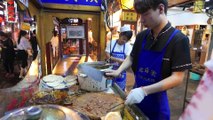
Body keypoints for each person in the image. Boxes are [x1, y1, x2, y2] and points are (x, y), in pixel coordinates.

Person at [105, 0, 192, 119]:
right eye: (140, 15)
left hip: (157, 105)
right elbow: (132, 57)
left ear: (161, 9)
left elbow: (177, 77)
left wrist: (144, 91)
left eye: (145, 14)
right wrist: (117, 71)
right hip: (135, 98)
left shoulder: (178, 40)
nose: (142, 19)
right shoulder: (142, 36)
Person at [105, 25, 133, 91]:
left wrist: (123, 62)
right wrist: (118, 60)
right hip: (110, 69)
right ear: (120, 35)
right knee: (109, 88)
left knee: (119, 89)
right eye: (123, 38)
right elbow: (107, 55)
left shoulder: (128, 46)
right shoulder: (111, 43)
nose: (124, 41)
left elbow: (127, 59)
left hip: (121, 72)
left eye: (127, 40)